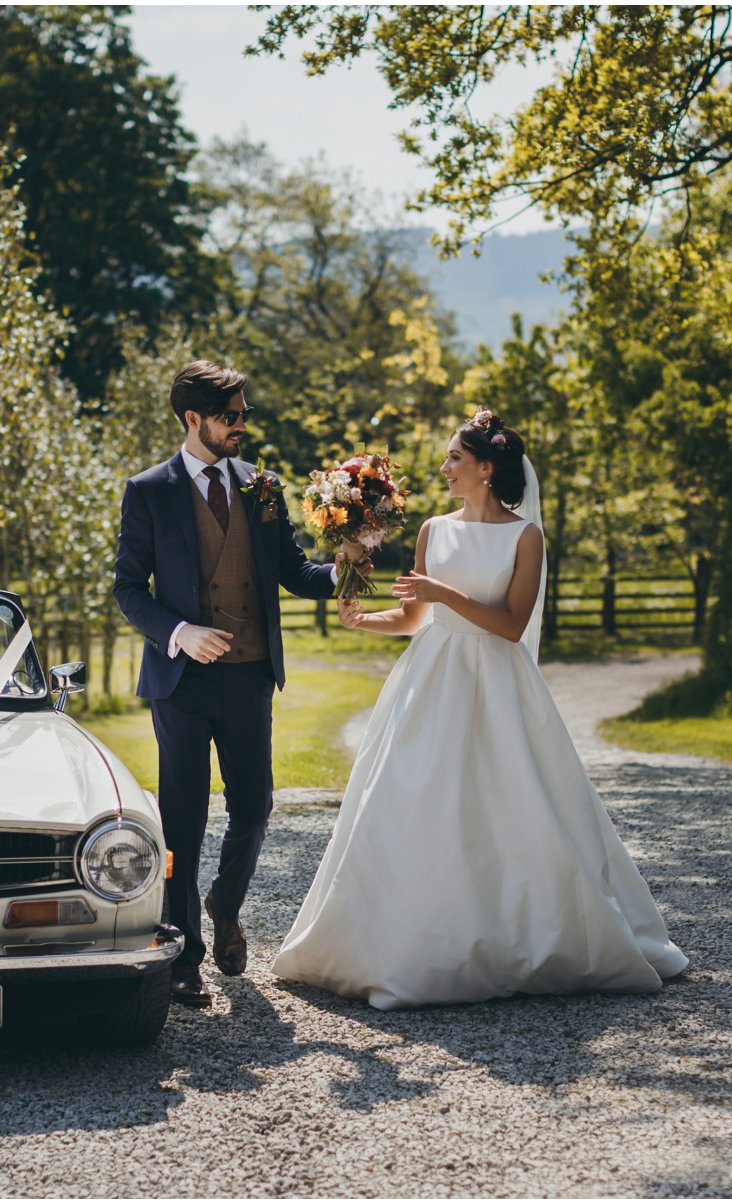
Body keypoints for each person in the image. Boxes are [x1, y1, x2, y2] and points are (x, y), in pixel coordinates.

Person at [272, 410, 689, 1009]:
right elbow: (418, 619)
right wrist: (367, 621)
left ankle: (522, 936)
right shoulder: (433, 531)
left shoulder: (526, 537)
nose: (444, 469)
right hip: (430, 679)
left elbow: (511, 624)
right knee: (414, 799)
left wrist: (443, 592)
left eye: (454, 460)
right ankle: (403, 940)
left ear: (487, 469)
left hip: (497, 684)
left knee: (514, 800)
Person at [113, 360, 362, 1008]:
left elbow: (293, 572)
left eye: (245, 414)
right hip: (182, 684)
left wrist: (343, 564)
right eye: (231, 416)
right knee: (184, 821)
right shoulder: (149, 491)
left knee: (254, 810)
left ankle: (224, 904)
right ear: (193, 419)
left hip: (250, 676)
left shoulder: (263, 487)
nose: (242, 426)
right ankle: (183, 957)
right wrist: (179, 633)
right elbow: (126, 589)